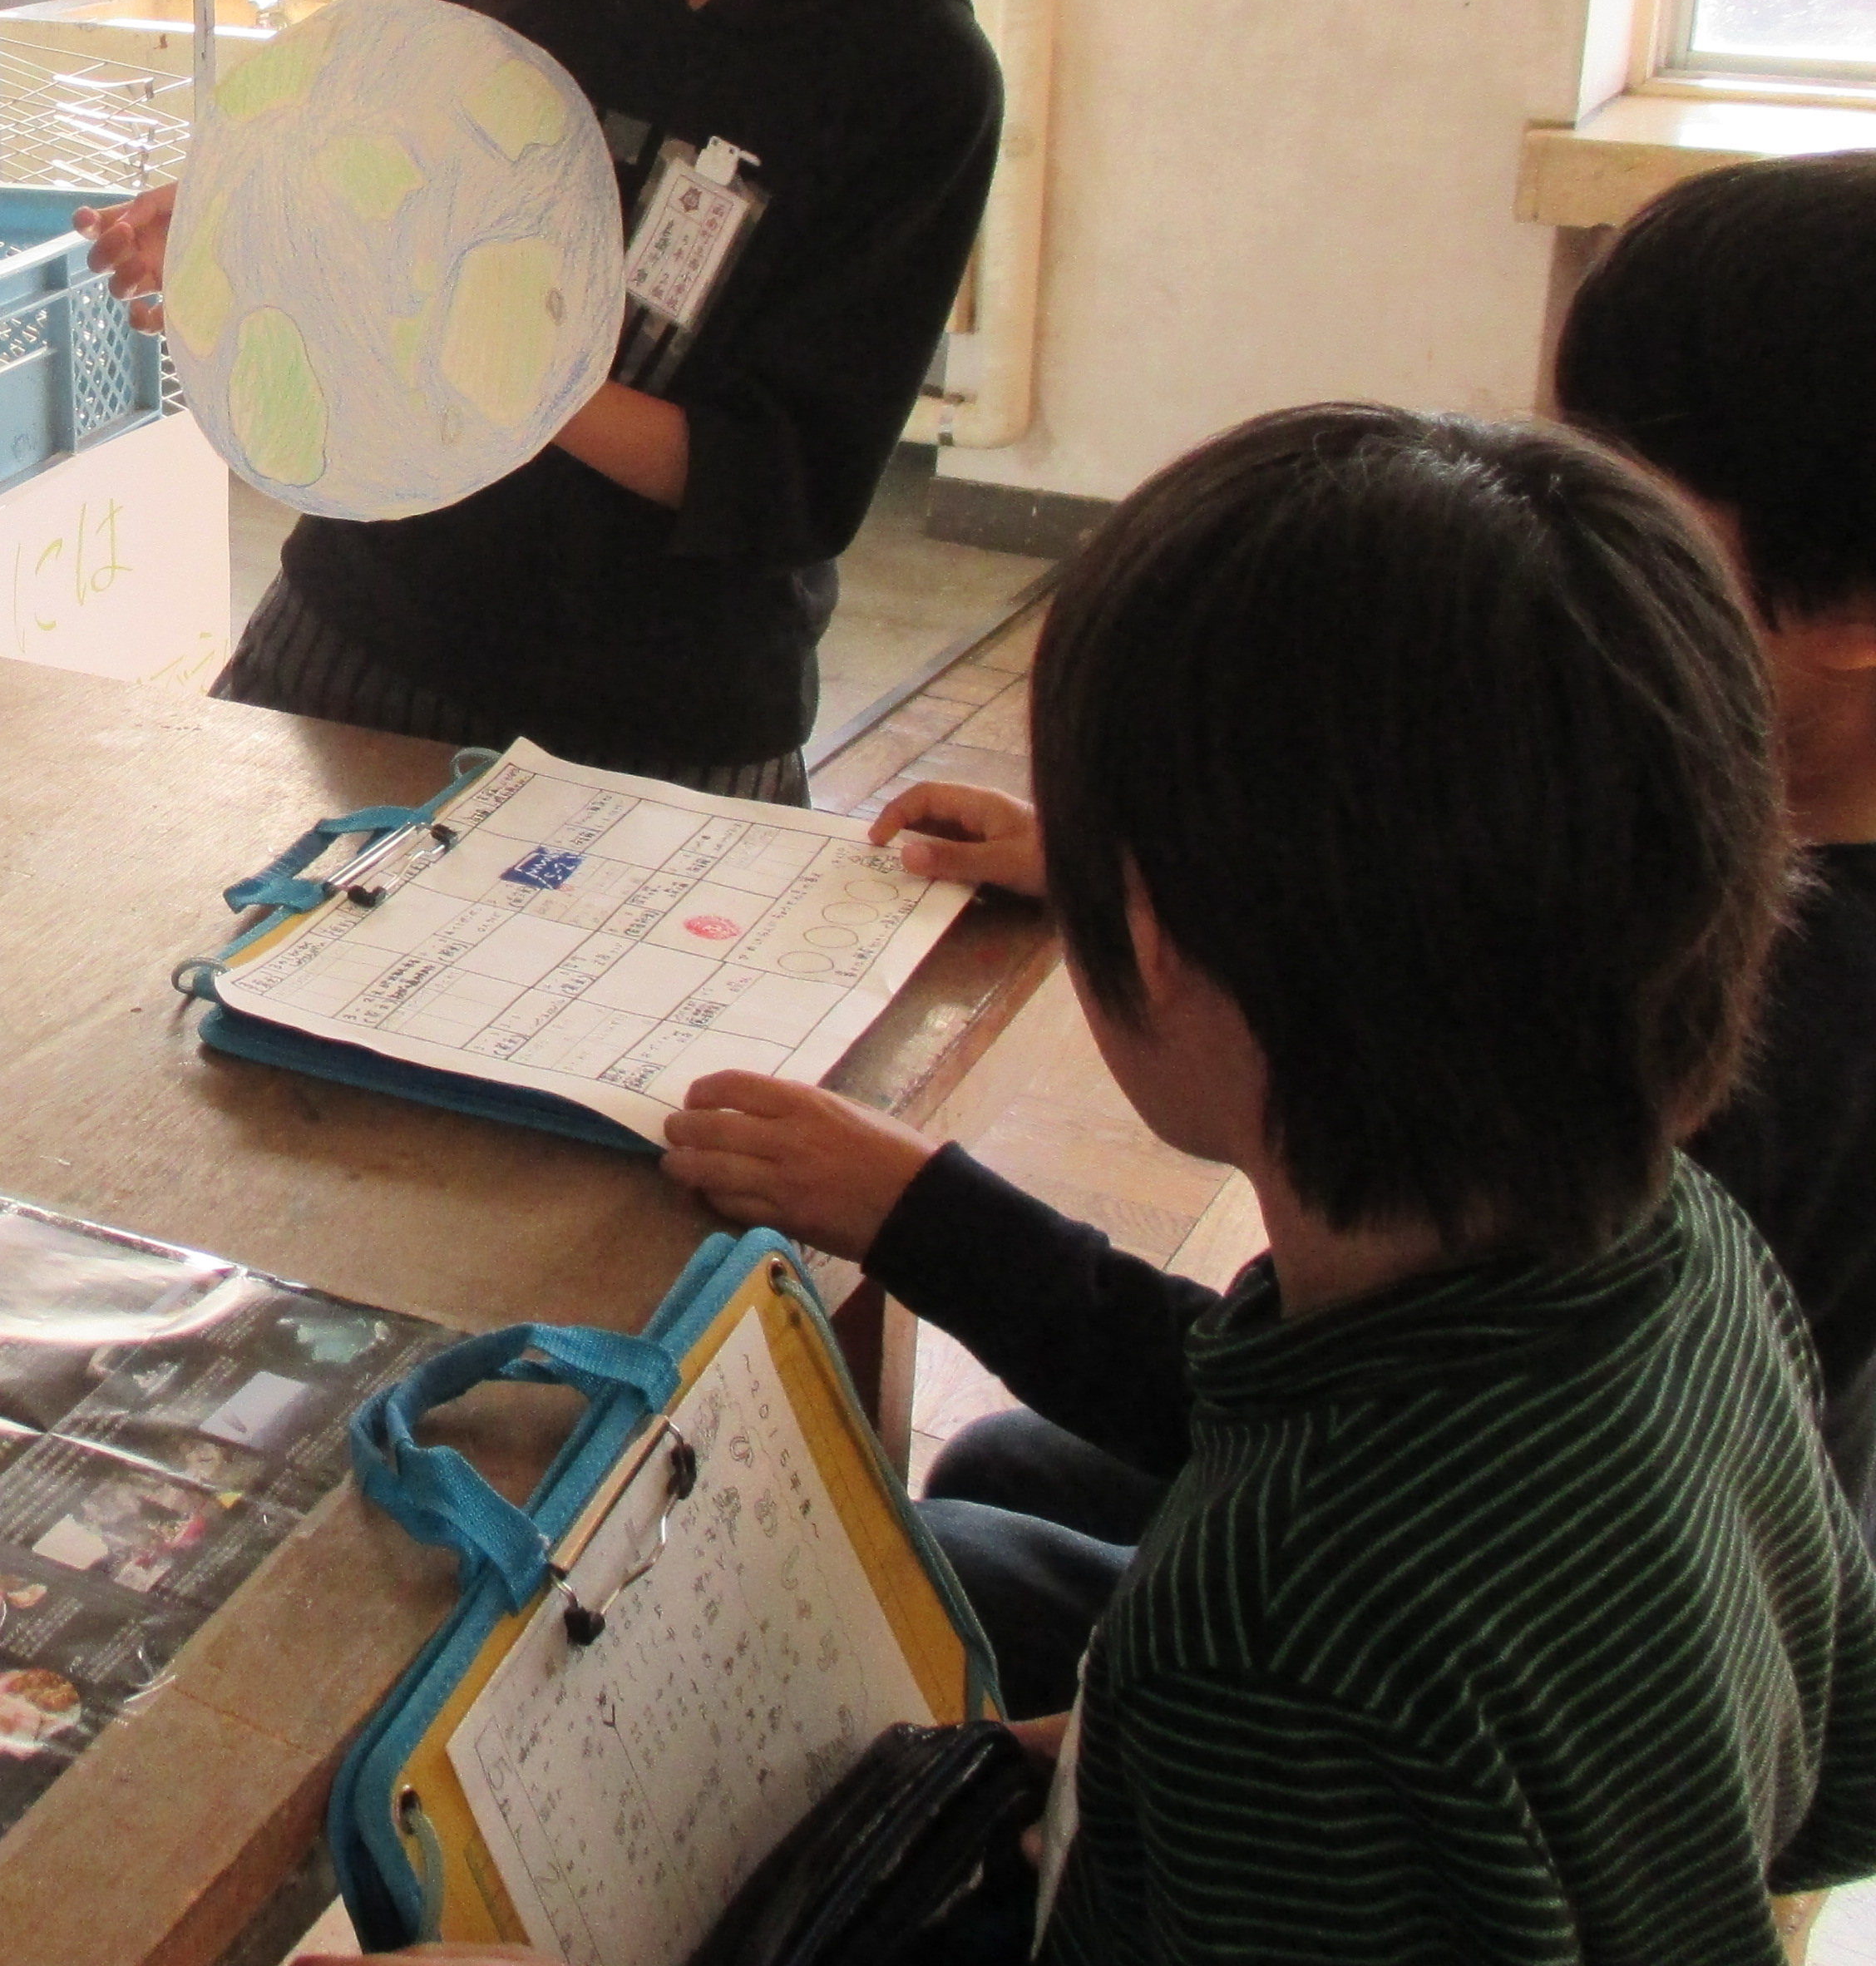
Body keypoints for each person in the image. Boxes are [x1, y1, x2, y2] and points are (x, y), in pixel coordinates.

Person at [666, 156, 1876, 1711]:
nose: (1556, 526)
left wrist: (924, 1214)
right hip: (1574, 1539)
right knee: (1000, 1466)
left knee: (915, 1569)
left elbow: (1360, 1407)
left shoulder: (1777, 1066)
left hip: (1510, 1616)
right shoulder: (1671, 902)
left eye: (1623, 484)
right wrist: (1171, 853)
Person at [86, 0, 1000, 799]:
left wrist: (501, 358)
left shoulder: (913, 69)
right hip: (365, 635)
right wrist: (256, 219)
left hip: (666, 721)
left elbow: (786, 486)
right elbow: (383, 199)